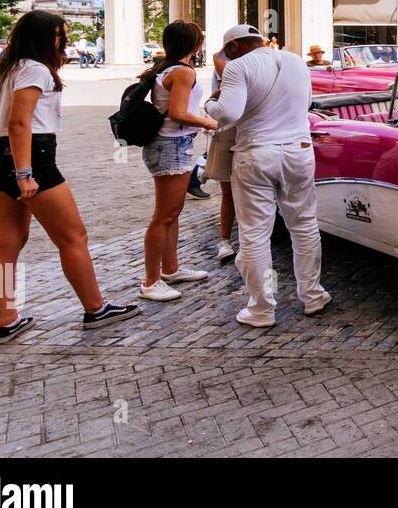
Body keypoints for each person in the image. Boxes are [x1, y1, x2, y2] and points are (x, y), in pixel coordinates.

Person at [0, 10, 139, 343]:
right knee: (73, 236)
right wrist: (25, 174)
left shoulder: (9, 69)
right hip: (29, 157)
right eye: (59, 35)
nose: (63, 40)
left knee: (6, 242)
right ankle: (96, 308)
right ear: (44, 37)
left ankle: (6, 321)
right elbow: (20, 123)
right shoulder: (35, 69)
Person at [205, 24, 330, 327]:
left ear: (233, 48)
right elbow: (307, 102)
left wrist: (210, 103)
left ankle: (261, 308)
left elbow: (228, 113)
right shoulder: (296, 61)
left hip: (256, 154)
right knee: (304, 226)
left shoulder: (237, 67)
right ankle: (312, 295)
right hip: (298, 151)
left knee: (255, 234)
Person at [138, 20, 219, 302]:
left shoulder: (167, 69)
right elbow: (178, 113)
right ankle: (151, 280)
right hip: (170, 144)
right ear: (195, 44)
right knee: (164, 215)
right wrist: (208, 122)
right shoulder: (183, 72)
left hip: (170, 143)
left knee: (172, 212)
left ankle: (170, 268)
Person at [202, 47, 238, 262]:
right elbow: (218, 58)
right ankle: (225, 240)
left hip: (244, 133)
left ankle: (232, 240)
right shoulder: (227, 66)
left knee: (244, 193)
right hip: (228, 131)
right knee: (229, 192)